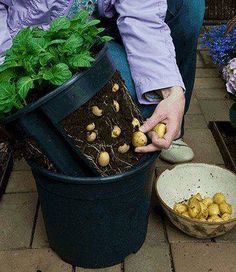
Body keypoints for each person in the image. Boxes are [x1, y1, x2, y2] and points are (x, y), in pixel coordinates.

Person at [0, 0, 205, 163]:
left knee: (188, 5)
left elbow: (142, 15)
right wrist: (10, 66)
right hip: (40, 41)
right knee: (122, 99)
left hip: (99, 23)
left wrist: (171, 90)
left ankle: (169, 127)